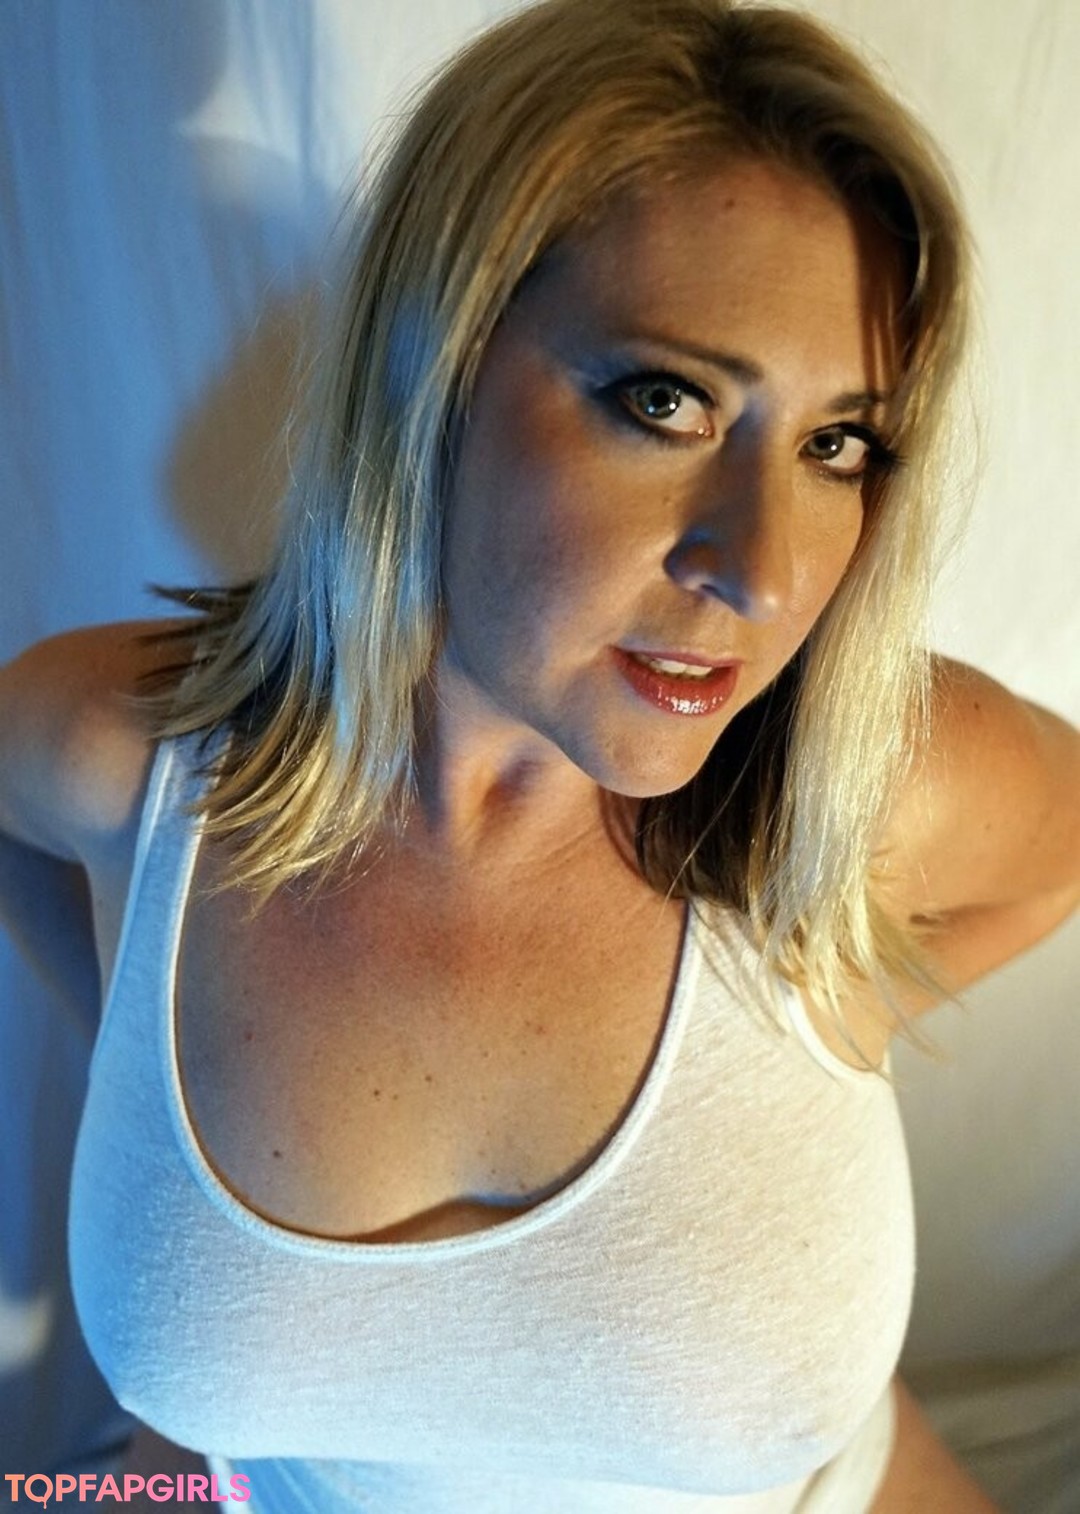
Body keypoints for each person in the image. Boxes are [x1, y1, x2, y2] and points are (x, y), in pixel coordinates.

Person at [0, 0, 1076, 1508]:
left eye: (838, 445)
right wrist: (134, 998)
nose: (765, 573)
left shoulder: (865, 791)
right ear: (427, 367)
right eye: (666, 403)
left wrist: (836, 1002)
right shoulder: (127, 760)